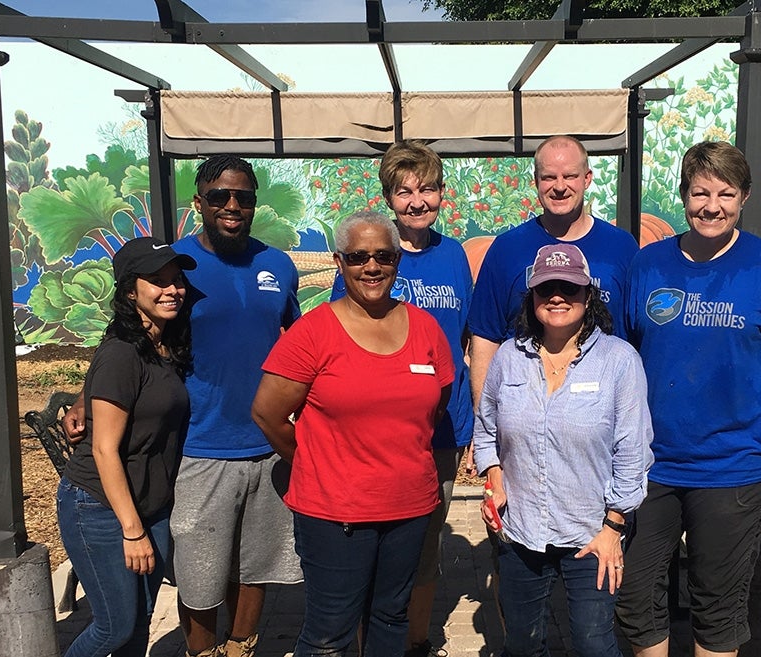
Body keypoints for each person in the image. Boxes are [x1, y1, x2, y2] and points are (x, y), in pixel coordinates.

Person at [64, 154, 303, 657]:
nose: (232, 205)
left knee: (256, 563)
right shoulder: (175, 268)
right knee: (200, 570)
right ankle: (203, 651)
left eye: (243, 196)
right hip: (198, 446)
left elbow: (295, 341)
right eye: (219, 195)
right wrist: (87, 397)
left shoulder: (278, 266)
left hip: (266, 443)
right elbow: (126, 334)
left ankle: (241, 646)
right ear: (200, 203)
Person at [616, 141, 761, 657]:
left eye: (725, 193)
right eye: (700, 192)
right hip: (649, 465)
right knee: (635, 600)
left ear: (744, 198)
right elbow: (619, 357)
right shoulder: (648, 267)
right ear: (683, 195)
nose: (711, 205)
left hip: (734, 466)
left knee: (716, 607)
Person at [252, 210, 454, 657]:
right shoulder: (313, 332)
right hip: (335, 512)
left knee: (391, 618)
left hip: (408, 506)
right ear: (340, 262)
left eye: (383, 255)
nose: (372, 266)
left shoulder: (425, 328)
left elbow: (436, 405)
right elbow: (268, 413)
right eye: (358, 256)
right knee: (330, 633)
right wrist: (312, 460)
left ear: (397, 260)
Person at [473, 243, 652, 657]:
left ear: (588, 296)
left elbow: (633, 450)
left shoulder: (618, 361)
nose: (557, 297)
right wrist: (494, 476)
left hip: (591, 534)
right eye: (545, 288)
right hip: (522, 533)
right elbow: (487, 431)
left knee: (593, 644)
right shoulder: (508, 359)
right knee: (522, 643)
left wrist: (614, 528)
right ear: (531, 296)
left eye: (569, 288)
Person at [329, 141, 473, 657]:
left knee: (425, 546)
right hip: (375, 434)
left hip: (440, 430)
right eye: (404, 190)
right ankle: (371, 642)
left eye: (427, 189)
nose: (417, 200)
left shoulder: (454, 254)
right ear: (389, 198)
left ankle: (413, 641)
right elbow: (338, 335)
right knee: (373, 546)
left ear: (440, 194)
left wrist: (479, 421)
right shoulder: (371, 257)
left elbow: (468, 340)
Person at [57, 236, 195, 657]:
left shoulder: (167, 344)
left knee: (139, 622)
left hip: (150, 504)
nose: (172, 289)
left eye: (176, 280)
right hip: (101, 507)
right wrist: (132, 532)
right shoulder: (122, 352)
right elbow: (103, 449)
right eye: (157, 280)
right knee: (113, 628)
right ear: (130, 291)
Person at [468, 135, 639, 409]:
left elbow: (635, 336)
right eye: (549, 177)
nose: (560, 187)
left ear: (587, 178)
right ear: (535, 182)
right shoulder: (507, 249)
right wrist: (485, 422)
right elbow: (486, 338)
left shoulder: (622, 247)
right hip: (524, 408)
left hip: (600, 411)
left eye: (570, 176)